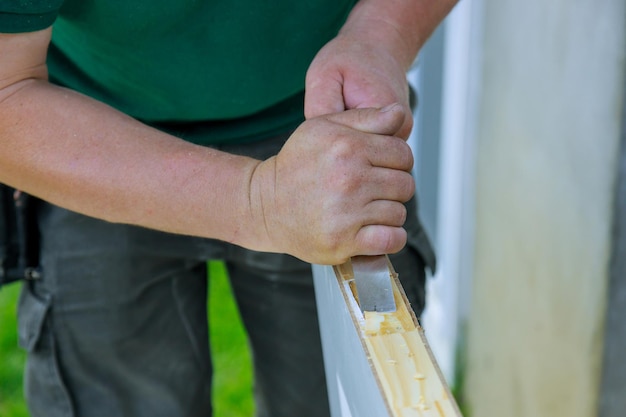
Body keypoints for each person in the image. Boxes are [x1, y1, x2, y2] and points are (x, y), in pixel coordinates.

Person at [0, 1, 456, 416]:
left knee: (356, 385)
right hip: (88, 137)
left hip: (321, 133)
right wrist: (258, 202)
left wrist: (380, 32)